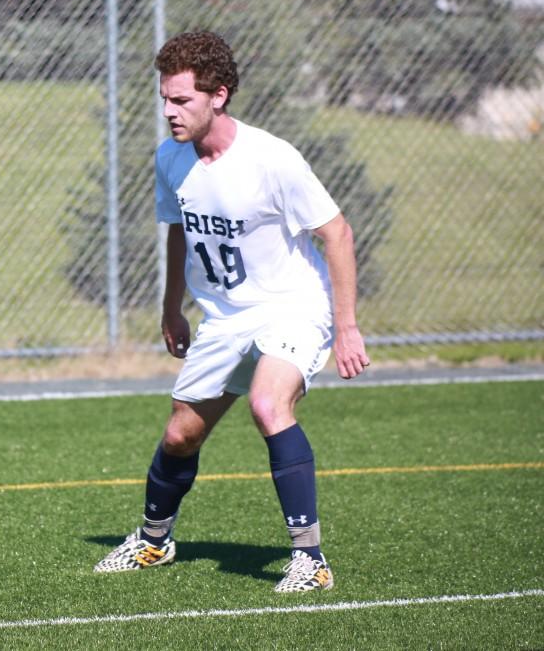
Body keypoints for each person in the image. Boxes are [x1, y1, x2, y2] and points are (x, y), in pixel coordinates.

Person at [93, 32, 369, 592]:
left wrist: (347, 328)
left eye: (182, 101)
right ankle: (153, 540)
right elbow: (179, 231)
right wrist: (172, 308)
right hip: (223, 317)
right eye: (165, 99)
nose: (169, 111)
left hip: (292, 306)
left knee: (268, 405)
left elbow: (337, 233)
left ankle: (310, 560)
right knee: (178, 437)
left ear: (218, 96)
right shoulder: (171, 158)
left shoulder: (272, 159)